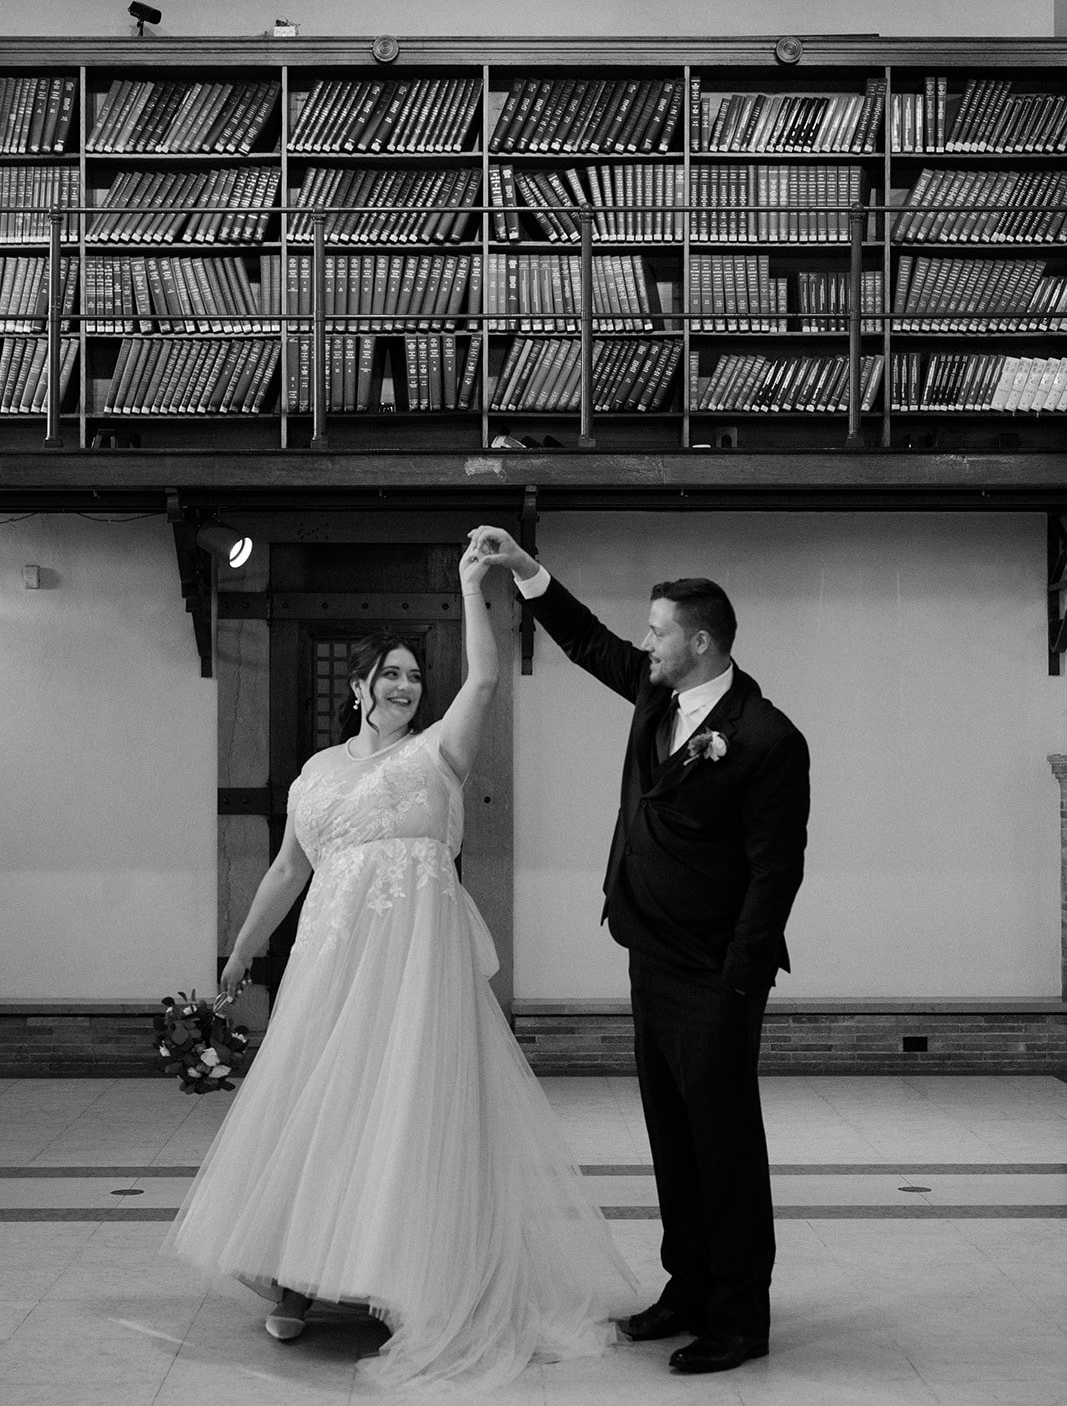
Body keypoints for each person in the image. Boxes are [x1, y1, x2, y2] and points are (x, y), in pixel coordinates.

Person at [165, 538, 636, 1391]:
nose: (403, 686)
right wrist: (237, 956)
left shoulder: (438, 755)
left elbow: (486, 682)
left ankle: (402, 1275)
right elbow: (286, 870)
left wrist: (472, 588)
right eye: (389, 673)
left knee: (407, 1104)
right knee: (317, 1099)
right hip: (330, 961)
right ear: (357, 686)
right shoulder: (314, 773)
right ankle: (294, 1273)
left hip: (414, 964)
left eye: (414, 675)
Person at [469, 525, 810, 1377]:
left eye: (657, 631)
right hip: (648, 954)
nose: (644, 643)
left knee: (723, 1146)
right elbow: (586, 641)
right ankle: (686, 1287)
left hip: (715, 975)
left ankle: (737, 1318)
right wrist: (522, 569)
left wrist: (738, 979)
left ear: (698, 642)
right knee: (671, 1134)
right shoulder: (658, 698)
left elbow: (776, 873)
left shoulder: (767, 738)